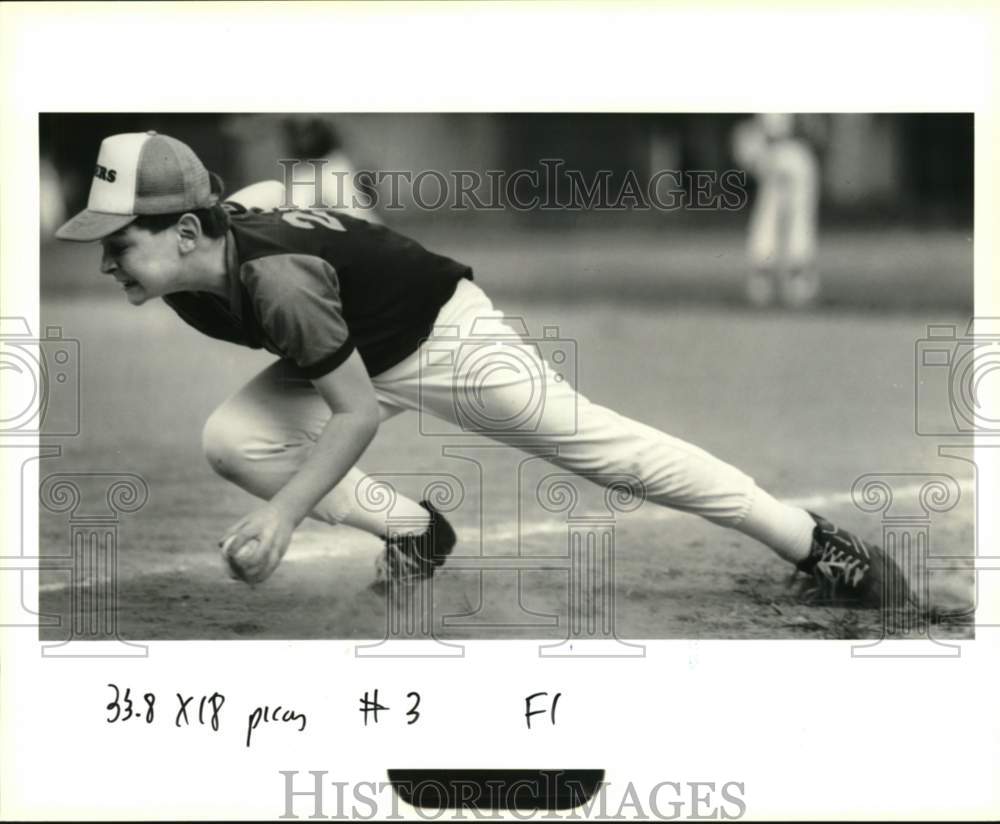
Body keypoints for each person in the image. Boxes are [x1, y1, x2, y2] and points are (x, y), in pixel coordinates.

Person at [56, 130, 907, 606]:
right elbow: (270, 209)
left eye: (119, 240)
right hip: (356, 339)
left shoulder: (270, 280)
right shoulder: (188, 270)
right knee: (234, 437)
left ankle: (816, 543)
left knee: (610, 453)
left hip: (448, 341)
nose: (106, 260)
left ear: (189, 232)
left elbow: (350, 413)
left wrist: (282, 517)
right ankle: (416, 533)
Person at [732, 114, 821, 308]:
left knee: (792, 220)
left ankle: (792, 280)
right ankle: (769, 280)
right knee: (771, 219)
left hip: (789, 151)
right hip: (776, 150)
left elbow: (813, 127)